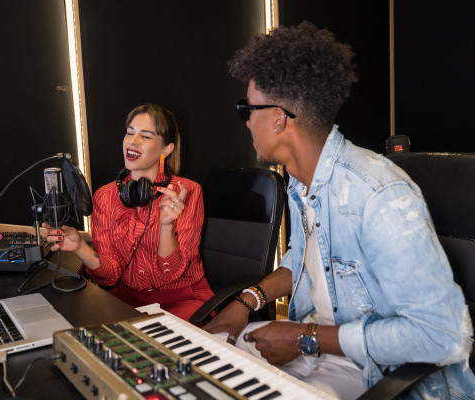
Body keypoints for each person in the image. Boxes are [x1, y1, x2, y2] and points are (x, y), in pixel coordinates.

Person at [203, 21, 475, 399]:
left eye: (247, 109)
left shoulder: (377, 194)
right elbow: (302, 260)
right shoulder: (301, 183)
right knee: (205, 360)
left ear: (278, 118)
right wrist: (247, 301)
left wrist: (304, 337)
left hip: (379, 374)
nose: (247, 121)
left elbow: (442, 336)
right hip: (322, 350)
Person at [44, 104, 213, 322]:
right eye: (130, 132)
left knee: (154, 340)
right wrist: (80, 247)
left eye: (146, 136)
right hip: (129, 299)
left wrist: (166, 225)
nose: (132, 141)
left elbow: (170, 272)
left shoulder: (187, 191)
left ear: (166, 149)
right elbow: (109, 277)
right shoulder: (104, 197)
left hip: (183, 298)